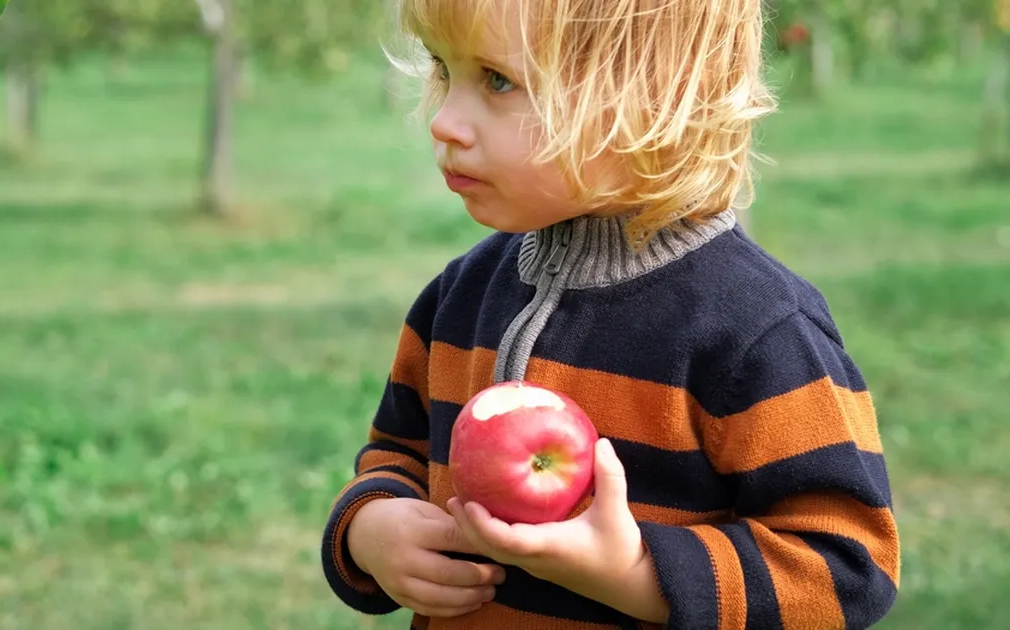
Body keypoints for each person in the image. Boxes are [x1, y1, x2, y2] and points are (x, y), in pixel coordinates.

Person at [320, 0, 901, 627]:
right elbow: (395, 455)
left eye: (497, 79)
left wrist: (637, 572)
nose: (444, 120)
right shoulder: (460, 295)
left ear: (654, 95)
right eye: (443, 69)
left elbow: (847, 569)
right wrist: (371, 528)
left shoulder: (753, 331)